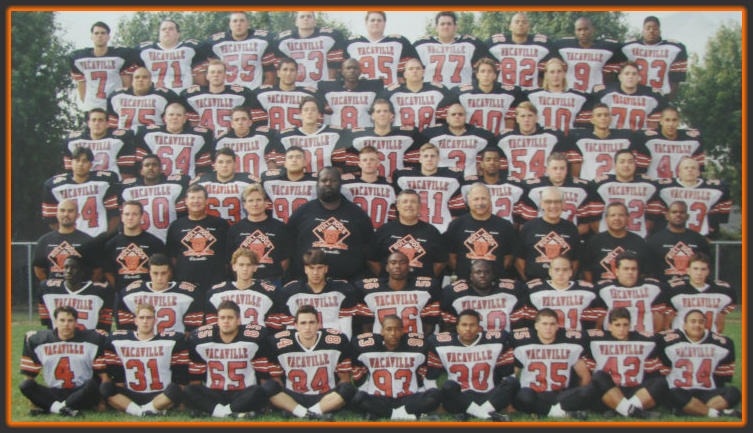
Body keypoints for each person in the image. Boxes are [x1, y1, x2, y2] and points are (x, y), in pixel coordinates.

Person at [262, 305, 355, 421]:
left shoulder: (337, 341)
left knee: (348, 388)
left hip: (325, 396)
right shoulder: (279, 343)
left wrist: (336, 398)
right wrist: (283, 399)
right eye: (303, 323)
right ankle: (311, 414)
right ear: (295, 325)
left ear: (318, 324)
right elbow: (277, 380)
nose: (308, 327)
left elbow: (344, 378)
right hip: (294, 396)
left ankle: (302, 413)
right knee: (268, 386)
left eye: (312, 322)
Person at [425, 309, 518, 421]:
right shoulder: (440, 344)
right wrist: (437, 400)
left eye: (472, 325)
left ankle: (472, 413)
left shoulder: (496, 341)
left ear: (479, 327)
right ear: (457, 327)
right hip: (458, 397)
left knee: (512, 382)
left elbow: (508, 375)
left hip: (488, 396)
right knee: (448, 386)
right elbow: (430, 379)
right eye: (464, 325)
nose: (468, 329)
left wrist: (504, 397)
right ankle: (487, 415)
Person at [184, 300, 271, 418]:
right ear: (217, 321)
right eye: (222, 318)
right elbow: (196, 376)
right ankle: (232, 413)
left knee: (259, 390)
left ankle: (216, 412)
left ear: (238, 320)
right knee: (189, 390)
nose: (226, 321)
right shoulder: (203, 341)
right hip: (215, 393)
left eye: (230, 318)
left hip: (242, 392)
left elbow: (262, 373)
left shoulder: (252, 340)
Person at [100, 303, 189, 417]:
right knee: (106, 388)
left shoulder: (170, 341)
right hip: (132, 393)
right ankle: (145, 411)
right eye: (141, 318)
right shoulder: (120, 341)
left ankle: (141, 410)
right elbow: (117, 375)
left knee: (176, 389)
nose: (145, 321)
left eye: (149, 318)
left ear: (155, 320)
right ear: (135, 321)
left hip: (160, 394)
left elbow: (180, 377)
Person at [287, 167, 374, 281]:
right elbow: (288, 247)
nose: (328, 183)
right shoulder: (302, 212)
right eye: (324, 180)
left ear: (340, 184)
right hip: (308, 283)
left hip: (348, 282)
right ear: (317, 184)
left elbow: (369, 251)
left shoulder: (358, 214)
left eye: (333, 180)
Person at [20, 306, 106, 417]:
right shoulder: (40, 340)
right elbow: (29, 374)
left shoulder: (92, 340)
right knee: (26, 385)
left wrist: (101, 400)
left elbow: (103, 375)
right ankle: (64, 408)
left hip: (81, 391)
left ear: (76, 323)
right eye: (62, 320)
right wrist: (32, 398)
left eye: (70, 321)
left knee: (93, 384)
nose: (66, 324)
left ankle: (53, 408)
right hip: (55, 392)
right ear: (55, 322)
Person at [351, 315, 441, 420]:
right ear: (382, 331)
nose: (393, 333)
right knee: (359, 397)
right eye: (389, 329)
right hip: (379, 398)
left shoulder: (417, 348)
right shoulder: (368, 349)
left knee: (435, 395)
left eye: (397, 329)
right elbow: (358, 372)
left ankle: (383, 413)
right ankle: (410, 415)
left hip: (408, 398)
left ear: (402, 331)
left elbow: (426, 373)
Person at [655, 310, 742, 418]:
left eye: (701, 322)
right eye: (693, 321)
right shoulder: (668, 341)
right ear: (684, 325)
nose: (697, 325)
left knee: (734, 392)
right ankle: (716, 413)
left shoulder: (721, 344)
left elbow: (722, 378)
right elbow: (660, 372)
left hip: (707, 392)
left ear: (705, 325)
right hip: (681, 390)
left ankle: (693, 410)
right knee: (672, 393)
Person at [511, 308, 594, 419]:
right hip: (534, 394)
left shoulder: (570, 345)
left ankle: (540, 410)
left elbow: (585, 376)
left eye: (552, 324)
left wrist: (577, 395)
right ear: (536, 326)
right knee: (523, 396)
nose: (548, 328)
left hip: (559, 395)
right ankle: (560, 412)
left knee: (586, 391)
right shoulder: (524, 345)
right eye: (544, 324)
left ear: (557, 326)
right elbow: (513, 376)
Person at [584, 307, 665, 419]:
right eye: (617, 325)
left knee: (660, 382)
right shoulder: (596, 341)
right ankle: (635, 411)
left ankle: (620, 409)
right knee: (599, 377)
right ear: (609, 326)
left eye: (625, 325)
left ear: (630, 326)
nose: (621, 329)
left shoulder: (644, 340)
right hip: (610, 391)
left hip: (633, 389)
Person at [276, 249, 359, 339]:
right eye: (311, 268)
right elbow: (290, 329)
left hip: (333, 341)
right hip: (303, 343)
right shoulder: (291, 292)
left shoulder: (341, 291)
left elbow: (346, 328)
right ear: (305, 269)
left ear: (326, 269)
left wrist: (343, 345)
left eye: (319, 268)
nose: (315, 273)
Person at [355, 251, 441, 335]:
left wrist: (419, 340)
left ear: (409, 267)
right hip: (382, 342)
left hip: (414, 342)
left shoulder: (425, 290)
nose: (397, 266)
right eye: (393, 263)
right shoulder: (370, 292)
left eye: (402, 263)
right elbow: (366, 326)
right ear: (387, 267)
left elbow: (429, 325)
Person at [42, 146, 120, 239]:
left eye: (84, 161)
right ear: (71, 162)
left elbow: (115, 214)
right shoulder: (55, 186)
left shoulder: (104, 182)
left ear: (91, 164)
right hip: (71, 239)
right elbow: (50, 219)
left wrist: (106, 237)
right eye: (77, 160)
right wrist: (65, 236)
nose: (80, 164)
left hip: (97, 236)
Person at [444, 183, 517, 280]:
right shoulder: (456, 225)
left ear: (490, 200)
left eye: (484, 198)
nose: (480, 203)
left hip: (496, 282)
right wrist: (464, 274)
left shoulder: (505, 226)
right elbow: (451, 257)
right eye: (476, 199)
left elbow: (508, 258)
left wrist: (493, 276)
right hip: (465, 280)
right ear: (468, 202)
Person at [166, 184, 230, 294]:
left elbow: (227, 256)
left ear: (206, 201)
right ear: (186, 201)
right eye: (192, 198)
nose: (196, 201)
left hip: (215, 282)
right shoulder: (176, 226)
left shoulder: (221, 224)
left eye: (199, 198)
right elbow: (172, 257)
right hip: (185, 283)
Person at [115, 253, 203, 334]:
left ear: (170, 272)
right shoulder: (130, 294)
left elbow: (192, 331)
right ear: (149, 272)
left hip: (175, 342)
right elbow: (126, 330)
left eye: (163, 273)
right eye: (155, 273)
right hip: (144, 343)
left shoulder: (188, 295)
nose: (159, 278)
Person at [368, 189, 447, 278]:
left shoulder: (432, 232)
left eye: (413, 202)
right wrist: (385, 278)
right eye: (405, 202)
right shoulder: (384, 230)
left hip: (421, 285)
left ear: (420, 207)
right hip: (390, 285)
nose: (409, 205)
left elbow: (441, 261)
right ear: (397, 206)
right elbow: (372, 260)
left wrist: (427, 278)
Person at [583, 149, 661, 238]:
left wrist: (641, 236)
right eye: (622, 162)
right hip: (607, 237)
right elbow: (593, 218)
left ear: (635, 165)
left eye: (630, 162)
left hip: (638, 237)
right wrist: (603, 236)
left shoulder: (649, 186)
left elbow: (652, 217)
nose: (626, 165)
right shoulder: (600, 185)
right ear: (615, 166)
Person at [440, 259, 531, 333]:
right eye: (478, 272)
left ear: (493, 275)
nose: (482, 275)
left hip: (503, 341)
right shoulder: (454, 293)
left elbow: (519, 325)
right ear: (471, 276)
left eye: (487, 272)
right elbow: (449, 327)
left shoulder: (511, 291)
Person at [392, 142, 465, 233]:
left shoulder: (452, 178)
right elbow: (398, 207)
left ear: (438, 159)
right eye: (425, 156)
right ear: (420, 159)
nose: (429, 159)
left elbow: (457, 211)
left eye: (433, 156)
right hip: (414, 228)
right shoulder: (403, 177)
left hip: (442, 229)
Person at [181, 59, 264, 138]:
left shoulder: (239, 94)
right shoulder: (193, 95)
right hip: (205, 137)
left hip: (229, 138)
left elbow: (252, 117)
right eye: (212, 72)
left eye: (219, 72)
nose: (216, 75)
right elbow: (189, 121)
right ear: (207, 76)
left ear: (225, 75)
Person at [226, 184, 292, 283]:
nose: (255, 204)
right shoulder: (235, 229)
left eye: (259, 200)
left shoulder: (280, 227)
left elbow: (285, 260)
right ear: (244, 204)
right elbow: (231, 261)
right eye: (250, 201)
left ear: (266, 203)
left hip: (273, 282)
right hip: (245, 283)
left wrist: (274, 279)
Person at [119, 153, 190, 243]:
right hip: (140, 239)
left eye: (154, 165)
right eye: (147, 165)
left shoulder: (175, 187)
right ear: (141, 171)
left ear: (161, 169)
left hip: (168, 238)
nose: (150, 168)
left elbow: (182, 215)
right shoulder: (128, 190)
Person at [205, 248, 284, 328]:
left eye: (248, 265)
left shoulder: (269, 293)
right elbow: (212, 327)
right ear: (234, 266)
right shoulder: (216, 293)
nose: (245, 269)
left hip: (256, 335)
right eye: (241, 265)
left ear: (255, 267)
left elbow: (274, 326)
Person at [347, 98, 424, 180]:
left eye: (385, 111)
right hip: (371, 183)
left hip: (397, 182)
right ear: (372, 116)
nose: (382, 114)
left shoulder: (407, 136)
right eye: (378, 111)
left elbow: (416, 163)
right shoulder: (359, 138)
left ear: (392, 115)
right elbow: (353, 166)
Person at [655, 157, 731, 239]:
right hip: (672, 236)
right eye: (686, 168)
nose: (690, 170)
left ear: (698, 172)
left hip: (701, 236)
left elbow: (719, 214)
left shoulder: (715, 190)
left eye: (693, 168)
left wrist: (712, 229)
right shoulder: (665, 189)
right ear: (679, 172)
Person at [515, 187, 581, 281]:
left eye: (557, 202)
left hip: (562, 285)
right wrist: (528, 282)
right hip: (534, 283)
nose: (553, 206)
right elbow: (519, 260)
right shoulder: (528, 227)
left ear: (563, 204)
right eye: (548, 202)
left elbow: (575, 261)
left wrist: (564, 282)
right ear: (541, 204)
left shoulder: (571, 228)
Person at [516, 152, 590, 235]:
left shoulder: (580, 189)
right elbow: (525, 225)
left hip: (569, 236)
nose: (558, 172)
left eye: (562, 168)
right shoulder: (533, 189)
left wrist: (565, 237)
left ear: (567, 169)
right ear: (547, 169)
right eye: (555, 168)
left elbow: (584, 226)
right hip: (540, 235)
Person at [594, 252, 667, 335]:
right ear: (617, 271)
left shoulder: (653, 287)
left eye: (633, 269)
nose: (630, 272)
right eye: (626, 269)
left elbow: (659, 319)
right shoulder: (603, 289)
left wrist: (653, 336)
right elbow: (599, 321)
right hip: (613, 339)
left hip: (644, 338)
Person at [416, 103, 497, 178]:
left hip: (469, 179)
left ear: (466, 117)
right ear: (447, 118)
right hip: (443, 179)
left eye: (460, 114)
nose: (457, 117)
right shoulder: (432, 134)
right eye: (453, 114)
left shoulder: (481, 135)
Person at [135, 102, 214, 178]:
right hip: (159, 181)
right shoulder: (149, 135)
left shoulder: (198, 137)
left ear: (185, 119)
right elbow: (141, 165)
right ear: (164, 118)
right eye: (171, 114)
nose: (174, 118)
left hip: (187, 182)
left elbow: (203, 166)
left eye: (179, 115)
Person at [70, 21, 138, 111]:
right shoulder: (80, 58)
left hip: (114, 105)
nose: (99, 36)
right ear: (91, 37)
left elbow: (126, 84)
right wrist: (85, 103)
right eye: (96, 33)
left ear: (108, 37)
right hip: (92, 106)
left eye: (103, 33)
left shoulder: (120, 56)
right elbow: (81, 85)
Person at [201, 11, 277, 90]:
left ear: (248, 23)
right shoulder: (215, 43)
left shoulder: (262, 41)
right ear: (230, 24)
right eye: (235, 21)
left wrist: (260, 92)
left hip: (252, 92)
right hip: (227, 93)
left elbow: (270, 76)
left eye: (242, 20)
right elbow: (209, 74)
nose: (238, 24)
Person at [272, 97, 350, 173]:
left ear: (319, 114)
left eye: (313, 110)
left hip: (325, 179)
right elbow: (281, 167)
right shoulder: (286, 137)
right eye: (306, 110)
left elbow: (339, 166)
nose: (309, 112)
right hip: (299, 180)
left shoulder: (334, 134)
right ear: (300, 114)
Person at [663, 253, 736, 334]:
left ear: (708, 271)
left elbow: (720, 321)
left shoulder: (722, 291)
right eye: (695, 269)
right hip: (682, 338)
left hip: (709, 338)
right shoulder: (674, 290)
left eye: (703, 269)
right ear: (688, 270)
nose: (699, 273)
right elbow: (667, 323)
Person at [413, 11, 489, 89]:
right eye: (442, 24)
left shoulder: (471, 44)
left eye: (449, 24)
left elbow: (485, 70)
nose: (446, 27)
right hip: (432, 93)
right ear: (436, 28)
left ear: (455, 27)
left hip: (462, 93)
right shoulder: (421, 45)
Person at [38, 255, 114, 332]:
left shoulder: (100, 291)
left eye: (73, 268)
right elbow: (48, 323)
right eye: (66, 267)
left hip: (89, 338)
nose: (69, 271)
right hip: (59, 338)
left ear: (82, 271)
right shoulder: (48, 289)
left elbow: (104, 326)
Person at [526, 256, 602, 331]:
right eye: (556, 269)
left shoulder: (587, 292)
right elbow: (529, 321)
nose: (560, 273)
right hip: (547, 337)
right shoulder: (535, 292)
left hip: (576, 336)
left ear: (571, 272)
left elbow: (596, 320)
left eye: (565, 270)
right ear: (550, 271)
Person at [619, 16, 688, 99]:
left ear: (660, 31)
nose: (651, 31)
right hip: (634, 97)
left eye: (655, 28)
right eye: (648, 28)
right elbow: (619, 75)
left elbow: (675, 81)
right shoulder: (627, 47)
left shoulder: (674, 49)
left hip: (660, 96)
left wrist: (666, 100)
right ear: (643, 31)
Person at [496, 102, 568, 181]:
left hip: (542, 184)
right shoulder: (504, 138)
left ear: (536, 118)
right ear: (517, 119)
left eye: (530, 116)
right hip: (515, 183)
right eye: (522, 116)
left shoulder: (552, 136)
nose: (526, 120)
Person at [103, 200, 166, 292]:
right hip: (122, 294)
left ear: (142, 217)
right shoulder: (112, 244)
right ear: (122, 217)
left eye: (134, 214)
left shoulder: (155, 243)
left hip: (148, 293)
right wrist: (119, 291)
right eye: (127, 214)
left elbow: (164, 270)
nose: (130, 218)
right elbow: (108, 272)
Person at [566, 103, 638, 181]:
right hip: (590, 183)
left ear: (611, 119)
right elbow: (576, 169)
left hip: (614, 183)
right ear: (592, 120)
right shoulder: (580, 139)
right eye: (599, 115)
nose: (603, 118)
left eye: (606, 115)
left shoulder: (625, 139)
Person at [450, 57, 523, 135]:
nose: (486, 75)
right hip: (472, 138)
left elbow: (513, 119)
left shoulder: (510, 93)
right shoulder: (461, 93)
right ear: (477, 74)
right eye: (482, 71)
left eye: (490, 71)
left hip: (498, 138)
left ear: (495, 75)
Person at [273, 11, 346, 89]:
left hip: (320, 88)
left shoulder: (329, 37)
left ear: (315, 22)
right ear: (296, 22)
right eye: (302, 17)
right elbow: (280, 70)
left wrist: (329, 86)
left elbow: (333, 67)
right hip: (295, 88)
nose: (305, 19)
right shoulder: (283, 41)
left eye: (309, 16)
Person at [344, 11, 419, 86]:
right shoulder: (352, 43)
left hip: (391, 90)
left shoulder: (399, 42)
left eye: (379, 20)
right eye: (372, 20)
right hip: (362, 90)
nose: (376, 23)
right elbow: (343, 71)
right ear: (366, 23)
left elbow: (411, 70)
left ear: (384, 23)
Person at [581, 201, 650, 282]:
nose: (617, 218)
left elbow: (644, 271)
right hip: (601, 288)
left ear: (628, 218)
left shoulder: (639, 242)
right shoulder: (595, 241)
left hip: (630, 288)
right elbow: (587, 270)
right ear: (606, 219)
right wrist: (594, 287)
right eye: (612, 215)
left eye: (621, 215)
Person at [63, 108, 140, 180]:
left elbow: (126, 170)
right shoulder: (74, 141)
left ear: (107, 124)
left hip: (110, 181)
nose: (97, 123)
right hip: (86, 182)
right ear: (88, 123)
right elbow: (70, 170)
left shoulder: (118, 140)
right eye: (94, 120)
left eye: (100, 120)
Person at [379, 57, 453, 131]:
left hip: (429, 135)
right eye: (410, 69)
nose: (414, 71)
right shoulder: (392, 93)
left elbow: (450, 116)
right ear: (404, 74)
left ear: (423, 72)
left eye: (418, 68)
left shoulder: (438, 90)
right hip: (402, 135)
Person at [632, 106, 705, 180]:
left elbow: (698, 172)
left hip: (681, 185)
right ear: (661, 121)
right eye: (667, 120)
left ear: (679, 121)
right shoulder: (647, 139)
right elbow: (640, 171)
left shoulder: (693, 139)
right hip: (655, 183)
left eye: (674, 120)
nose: (671, 124)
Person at [190, 147, 259, 225]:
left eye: (228, 162)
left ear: (235, 164)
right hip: (210, 228)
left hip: (239, 228)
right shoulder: (202, 183)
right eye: (220, 162)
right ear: (214, 165)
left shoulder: (247, 182)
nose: (224, 165)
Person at [33, 199, 97, 282]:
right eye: (62, 211)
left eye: (70, 211)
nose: (66, 214)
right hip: (54, 289)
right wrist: (51, 286)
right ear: (57, 214)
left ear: (77, 215)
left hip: (80, 289)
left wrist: (83, 286)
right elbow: (39, 270)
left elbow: (97, 270)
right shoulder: (44, 241)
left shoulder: (88, 241)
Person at [551, 16, 621, 93]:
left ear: (593, 29)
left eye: (586, 29)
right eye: (579, 30)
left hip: (595, 94)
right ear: (575, 31)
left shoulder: (606, 47)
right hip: (571, 94)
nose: (582, 33)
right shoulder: (564, 46)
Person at [645, 201, 711, 281]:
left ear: (687, 216)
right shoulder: (655, 240)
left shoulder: (699, 239)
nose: (678, 215)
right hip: (664, 285)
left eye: (682, 212)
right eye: (674, 212)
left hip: (691, 285)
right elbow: (649, 269)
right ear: (667, 216)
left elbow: (707, 265)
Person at [485, 13, 552, 90]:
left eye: (524, 22)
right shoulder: (495, 44)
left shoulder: (542, 45)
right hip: (505, 92)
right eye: (517, 22)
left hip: (530, 92)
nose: (520, 24)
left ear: (529, 27)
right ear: (510, 27)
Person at [593, 62, 668, 131]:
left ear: (639, 77)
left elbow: (666, 114)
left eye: (634, 74)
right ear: (620, 77)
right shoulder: (605, 92)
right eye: (627, 74)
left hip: (639, 137)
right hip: (613, 136)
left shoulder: (652, 95)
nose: (630, 77)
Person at [525, 58, 591, 136]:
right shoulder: (532, 95)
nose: (556, 75)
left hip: (568, 139)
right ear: (546, 75)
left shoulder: (579, 97)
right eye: (552, 72)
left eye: (559, 71)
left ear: (564, 74)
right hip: (542, 139)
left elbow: (583, 126)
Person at [135, 19, 204, 93]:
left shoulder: (190, 47)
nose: (167, 31)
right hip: (155, 95)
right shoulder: (145, 50)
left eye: (171, 29)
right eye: (163, 29)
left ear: (178, 34)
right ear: (159, 34)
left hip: (183, 94)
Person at [253, 57, 321, 131]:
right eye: (285, 70)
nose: (288, 73)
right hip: (273, 136)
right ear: (278, 73)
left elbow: (317, 119)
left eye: (292, 70)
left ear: (297, 74)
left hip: (297, 136)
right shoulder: (262, 93)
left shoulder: (308, 94)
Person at [461, 147, 525, 225]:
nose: (492, 163)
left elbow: (517, 218)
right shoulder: (468, 186)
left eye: (496, 160)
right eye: (488, 160)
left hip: (504, 229)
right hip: (476, 227)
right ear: (481, 164)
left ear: (500, 164)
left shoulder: (514, 186)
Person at [106, 66, 182, 131]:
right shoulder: (117, 96)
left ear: (151, 81)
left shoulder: (165, 96)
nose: (140, 80)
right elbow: (111, 122)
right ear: (132, 81)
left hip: (153, 137)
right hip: (126, 137)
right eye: (137, 77)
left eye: (145, 77)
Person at [316, 58, 384, 129]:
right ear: (342, 71)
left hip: (364, 133)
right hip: (338, 133)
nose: (352, 71)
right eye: (348, 68)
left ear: (360, 71)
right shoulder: (327, 88)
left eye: (355, 68)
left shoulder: (373, 87)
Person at [340, 145, 397, 229]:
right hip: (356, 232)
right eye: (364, 160)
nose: (368, 162)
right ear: (359, 164)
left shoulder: (389, 186)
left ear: (378, 163)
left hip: (380, 232)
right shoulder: (348, 185)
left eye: (372, 159)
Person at [215, 106, 281, 177]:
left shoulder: (263, 136)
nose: (240, 123)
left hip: (259, 181)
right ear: (232, 124)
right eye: (236, 120)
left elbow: (272, 162)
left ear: (250, 122)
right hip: (235, 182)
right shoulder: (222, 141)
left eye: (244, 119)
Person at [260, 146, 318, 223]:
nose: (294, 160)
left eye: (298, 157)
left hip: (306, 227)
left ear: (305, 162)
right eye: (290, 157)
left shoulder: (316, 182)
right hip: (279, 228)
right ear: (285, 163)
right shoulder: (270, 181)